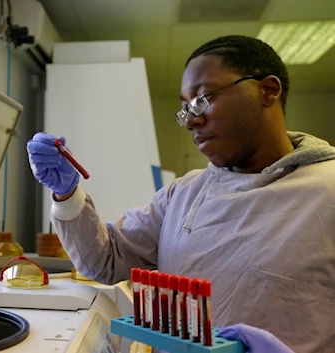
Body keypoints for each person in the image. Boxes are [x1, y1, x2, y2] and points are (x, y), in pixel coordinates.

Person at [27, 35, 335, 353]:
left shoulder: (327, 190)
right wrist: (66, 194)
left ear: (267, 90)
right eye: (185, 108)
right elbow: (105, 260)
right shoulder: (184, 193)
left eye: (203, 99)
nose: (190, 120)